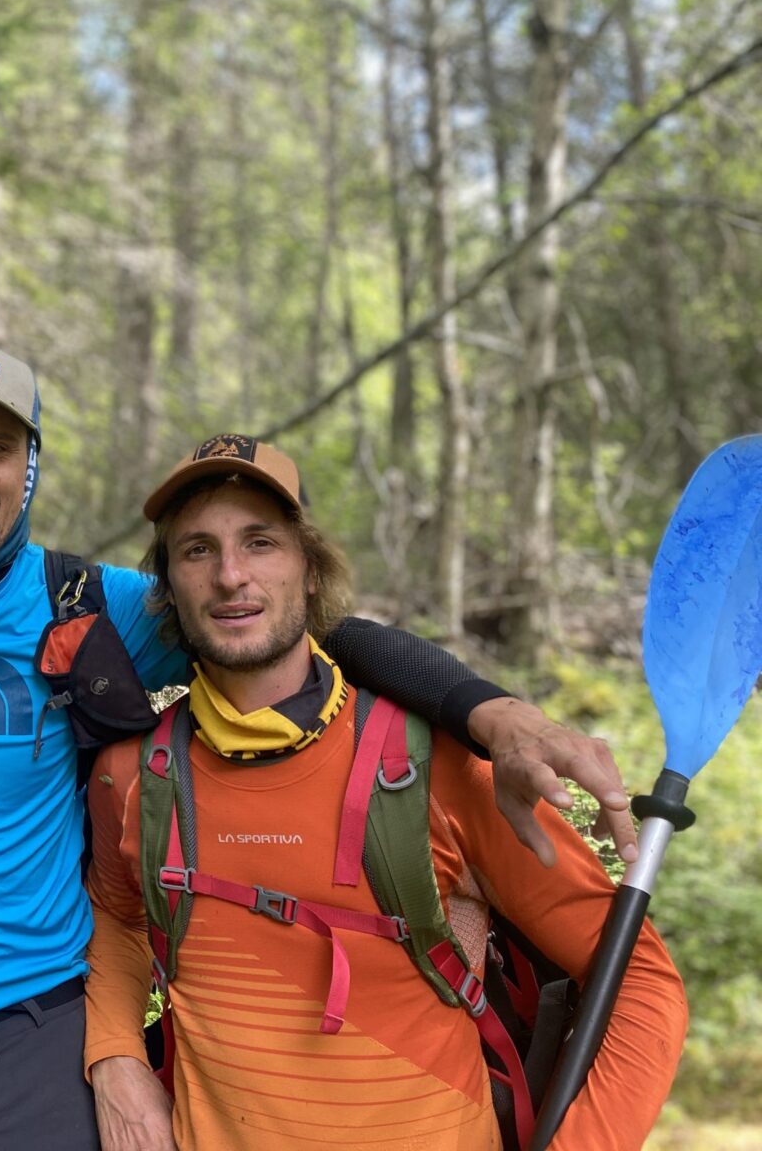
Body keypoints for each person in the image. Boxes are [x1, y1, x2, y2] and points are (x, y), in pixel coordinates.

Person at [0, 343, 639, 1150]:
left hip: (42, 1042)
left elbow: (304, 631)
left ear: (28, 463)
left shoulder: (93, 601)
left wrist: (492, 713)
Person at [82, 433, 687, 1151]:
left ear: (309, 571)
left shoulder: (439, 769)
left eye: (261, 543)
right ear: (171, 586)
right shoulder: (134, 778)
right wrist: (116, 1055)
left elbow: (641, 982)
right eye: (197, 550)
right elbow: (116, 924)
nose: (230, 575)